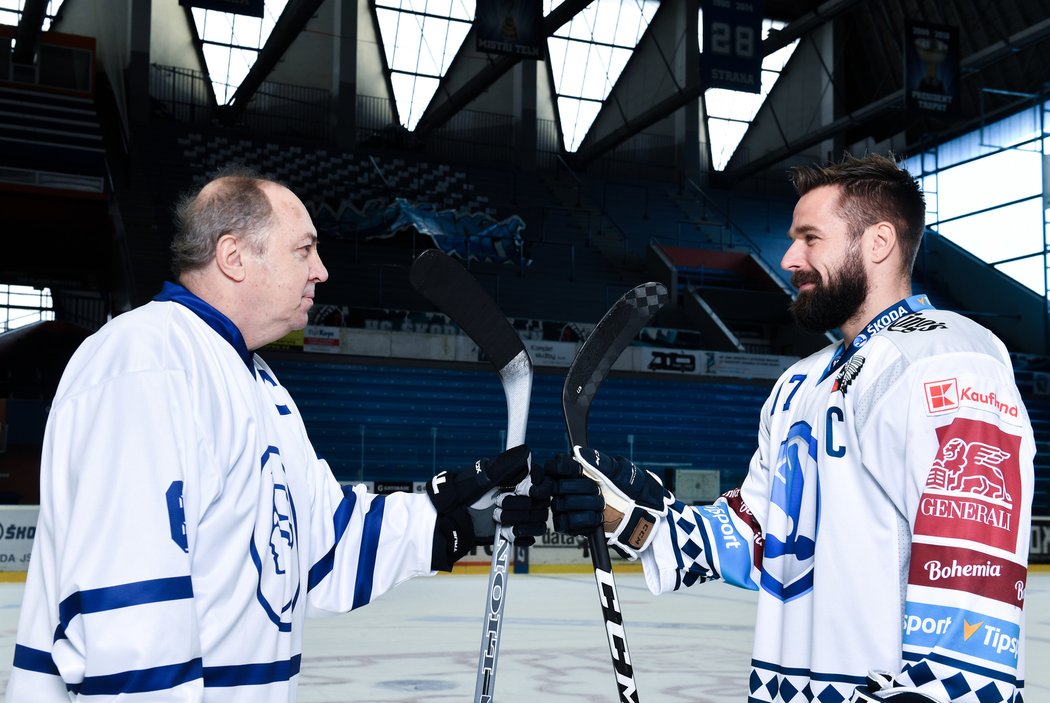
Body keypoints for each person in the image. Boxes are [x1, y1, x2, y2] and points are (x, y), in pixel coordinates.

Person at [6, 169, 551, 702]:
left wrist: (459, 514)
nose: (322, 271)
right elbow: (129, 609)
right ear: (234, 256)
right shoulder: (147, 361)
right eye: (304, 249)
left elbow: (324, 550)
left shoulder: (258, 382)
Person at [545, 153, 1033, 703]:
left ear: (878, 243)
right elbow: (761, 536)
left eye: (810, 238)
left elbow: (971, 563)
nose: (788, 257)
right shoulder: (800, 383)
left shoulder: (945, 358)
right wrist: (631, 517)